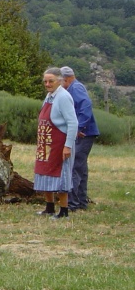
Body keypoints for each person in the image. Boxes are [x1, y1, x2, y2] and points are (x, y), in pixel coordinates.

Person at [34, 67, 78, 219]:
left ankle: (64, 210)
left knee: (61, 177)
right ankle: (49, 207)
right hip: (46, 143)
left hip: (59, 143)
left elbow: (72, 123)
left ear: (59, 81)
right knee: (45, 173)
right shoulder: (49, 96)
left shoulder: (64, 97)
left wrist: (68, 145)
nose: (47, 84)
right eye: (45, 81)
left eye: (50, 81)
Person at [60, 66, 100, 211]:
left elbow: (86, 106)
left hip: (84, 133)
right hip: (86, 132)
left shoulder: (75, 88)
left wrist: (78, 128)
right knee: (81, 167)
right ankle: (82, 201)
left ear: (66, 79)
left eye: (60, 80)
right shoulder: (75, 88)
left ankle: (73, 203)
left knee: (75, 166)